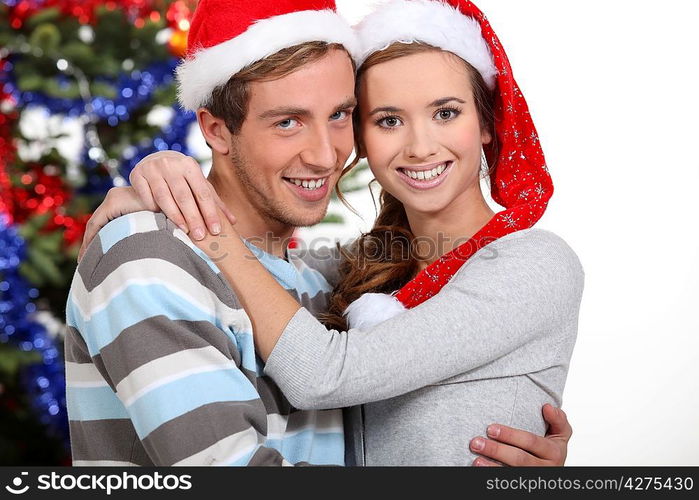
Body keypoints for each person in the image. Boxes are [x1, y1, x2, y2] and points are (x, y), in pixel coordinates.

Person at [78, 0, 580, 466]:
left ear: (488, 122)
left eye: (338, 114)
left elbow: (326, 375)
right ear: (215, 129)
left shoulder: (323, 285)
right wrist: (161, 187)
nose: (323, 155)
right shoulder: (152, 258)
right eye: (288, 121)